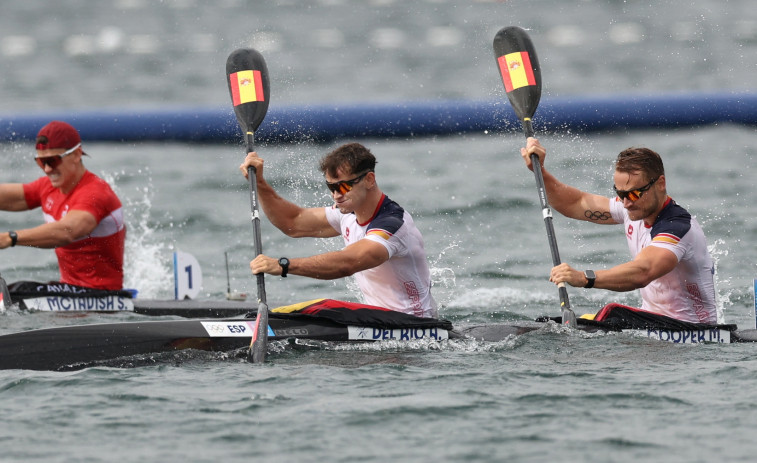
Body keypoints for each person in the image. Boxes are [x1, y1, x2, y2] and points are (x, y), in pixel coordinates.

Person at [521, 137, 717, 324]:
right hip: (652, 326)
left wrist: (583, 278)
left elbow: (643, 271)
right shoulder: (632, 208)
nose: (626, 203)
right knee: (551, 323)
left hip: (693, 330)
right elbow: (575, 203)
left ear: (660, 183)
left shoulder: (677, 228)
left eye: (633, 193)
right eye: (620, 193)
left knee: (613, 313)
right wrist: (540, 171)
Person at [239, 142, 438, 319]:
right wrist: (260, 184)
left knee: (322, 307)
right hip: (379, 321)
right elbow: (293, 222)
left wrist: (284, 265)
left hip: (415, 325)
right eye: (330, 187)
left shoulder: (392, 225)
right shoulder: (347, 213)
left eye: (343, 187)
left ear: (369, 179)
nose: (336, 195)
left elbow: (348, 263)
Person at [0, 121, 126, 290]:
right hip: (69, 290)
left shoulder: (95, 194)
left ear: (76, 154)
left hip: (104, 296)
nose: (46, 169)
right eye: (40, 162)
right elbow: (9, 197)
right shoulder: (48, 187)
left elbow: (67, 231)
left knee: (18, 290)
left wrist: (10, 238)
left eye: (52, 161)